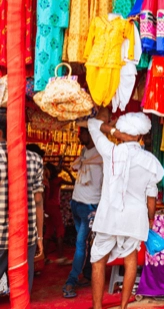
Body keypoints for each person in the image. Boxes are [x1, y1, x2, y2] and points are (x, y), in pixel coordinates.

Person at [84, 109, 164, 309]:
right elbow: (151, 196)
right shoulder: (150, 161)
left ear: (122, 131)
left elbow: (92, 125)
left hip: (109, 217)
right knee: (130, 262)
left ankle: (97, 307)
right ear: (141, 135)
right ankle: (123, 307)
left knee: (98, 261)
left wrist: (114, 133)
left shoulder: (111, 151)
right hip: (135, 218)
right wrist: (151, 219)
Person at [0, 113, 45, 292]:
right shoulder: (35, 159)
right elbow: (39, 200)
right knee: (22, 289)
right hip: (26, 234)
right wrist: (39, 236)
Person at [63, 127, 104, 298]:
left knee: (81, 243)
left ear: (92, 135)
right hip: (77, 202)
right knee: (84, 243)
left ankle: (71, 281)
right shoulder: (84, 152)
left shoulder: (101, 157)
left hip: (89, 206)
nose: (80, 135)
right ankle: (86, 274)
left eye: (83, 133)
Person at [43, 163, 68, 265]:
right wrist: (67, 171)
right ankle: (61, 256)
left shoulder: (47, 180)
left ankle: (44, 257)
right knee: (60, 230)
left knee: (48, 231)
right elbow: (74, 182)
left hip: (47, 206)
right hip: (54, 207)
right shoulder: (58, 180)